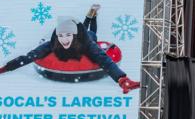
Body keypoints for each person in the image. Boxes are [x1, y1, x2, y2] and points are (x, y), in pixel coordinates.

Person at [0, 11, 140, 93]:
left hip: (87, 37)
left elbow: (104, 60)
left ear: (74, 36)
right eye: (61, 36)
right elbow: (28, 57)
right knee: (88, 31)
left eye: (68, 36)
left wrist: (122, 80)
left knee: (92, 32)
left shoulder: (87, 44)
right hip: (80, 35)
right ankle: (90, 15)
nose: (64, 39)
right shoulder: (52, 44)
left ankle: (92, 16)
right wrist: (5, 68)